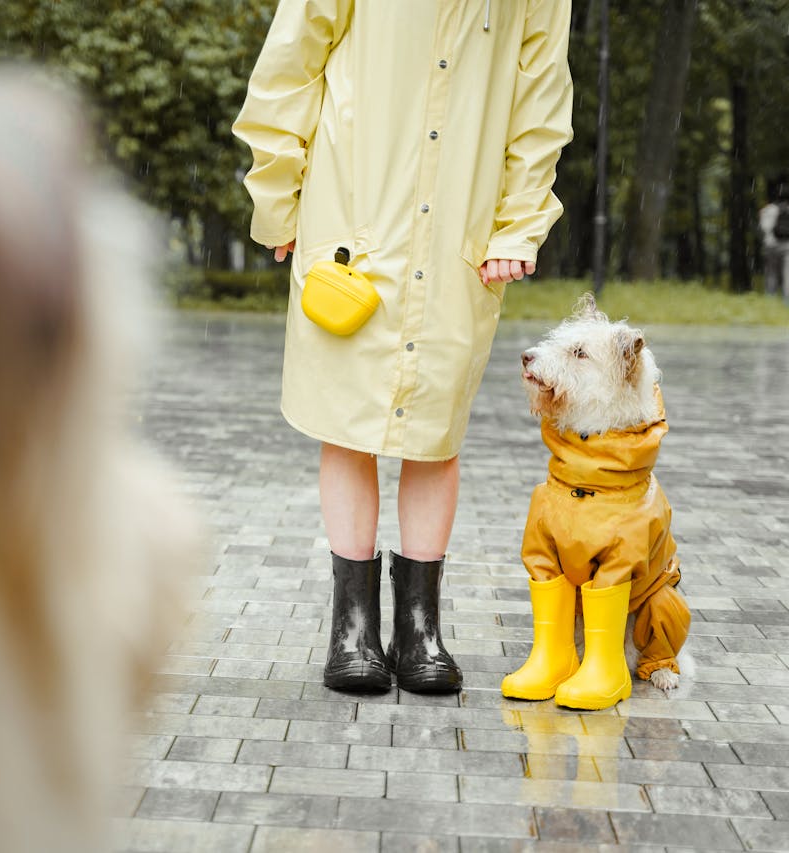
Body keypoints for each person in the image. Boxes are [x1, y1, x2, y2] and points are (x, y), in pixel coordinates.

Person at [233, 1, 573, 693]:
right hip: (352, 220)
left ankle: (419, 629)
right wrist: (278, 198)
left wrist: (519, 225)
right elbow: (290, 65)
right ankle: (351, 629)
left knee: (434, 432)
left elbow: (541, 100)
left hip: (459, 231)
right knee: (345, 423)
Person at [759, 182, 789, 304]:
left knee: (771, 274)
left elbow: (765, 227)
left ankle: (770, 302)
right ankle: (787, 303)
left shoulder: (770, 209)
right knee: (788, 276)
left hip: (772, 246)